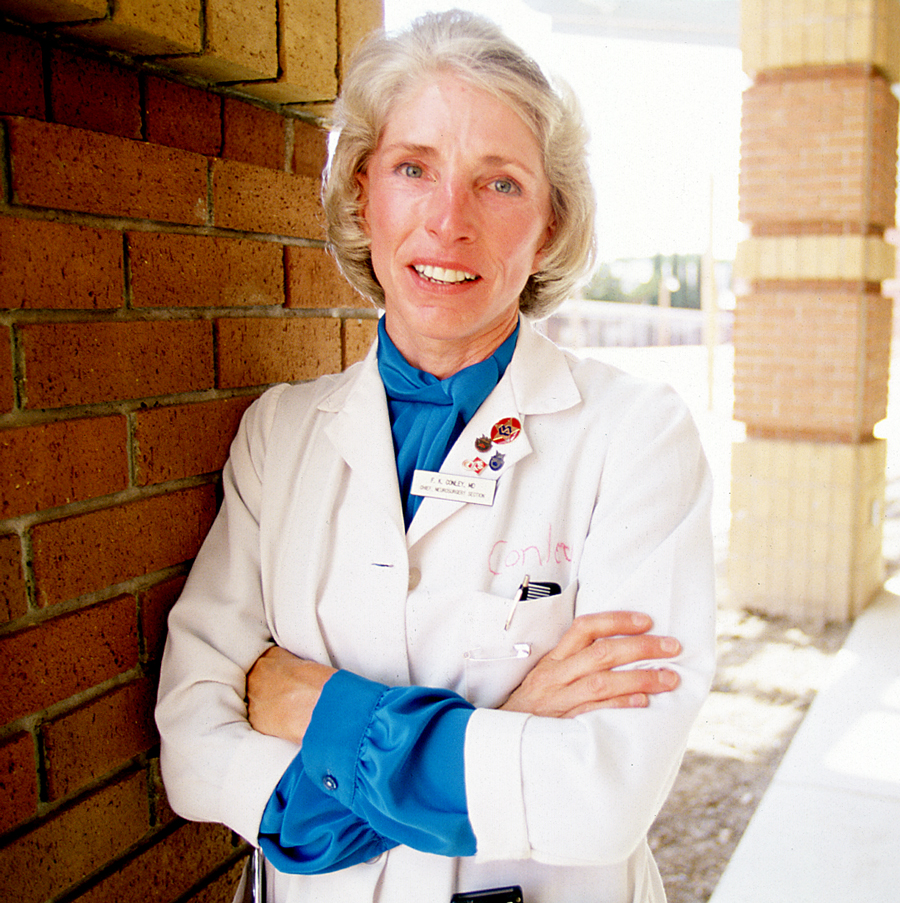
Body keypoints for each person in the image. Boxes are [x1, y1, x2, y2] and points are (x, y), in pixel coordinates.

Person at [155, 10, 716, 903]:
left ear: (549, 223)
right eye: (414, 169)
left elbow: (605, 792)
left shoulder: (636, 435)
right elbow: (194, 748)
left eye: (499, 184)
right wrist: (511, 723)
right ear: (362, 192)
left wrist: (316, 711)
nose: (448, 221)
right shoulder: (279, 434)